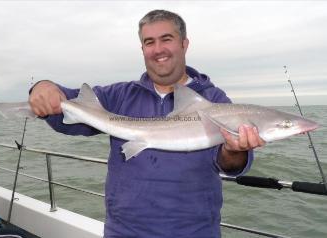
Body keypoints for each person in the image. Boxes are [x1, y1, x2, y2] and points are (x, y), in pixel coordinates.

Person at [29, 9, 265, 238]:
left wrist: (235, 150)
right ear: (142, 49)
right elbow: (67, 110)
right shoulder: (120, 95)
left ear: (184, 44)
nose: (158, 49)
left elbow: (229, 165)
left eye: (167, 39)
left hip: (194, 231)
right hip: (123, 231)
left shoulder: (214, 101)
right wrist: (43, 86)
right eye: (149, 42)